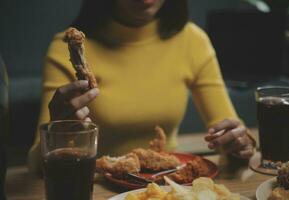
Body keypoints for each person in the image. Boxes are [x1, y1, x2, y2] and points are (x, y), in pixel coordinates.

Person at [28, 0, 255, 174]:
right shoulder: (65, 48)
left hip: (165, 183)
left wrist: (240, 144)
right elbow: (37, 166)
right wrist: (56, 133)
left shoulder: (193, 40)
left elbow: (229, 131)